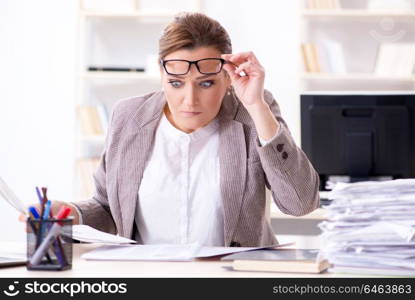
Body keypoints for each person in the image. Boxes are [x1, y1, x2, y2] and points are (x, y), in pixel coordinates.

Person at [21, 12, 319, 247]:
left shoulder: (253, 111)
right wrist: (70, 214)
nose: (189, 100)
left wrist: (256, 107)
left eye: (205, 84)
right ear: (162, 73)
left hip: (231, 280)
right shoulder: (128, 117)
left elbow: (300, 203)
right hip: (148, 278)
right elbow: (108, 209)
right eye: (176, 84)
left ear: (227, 78)